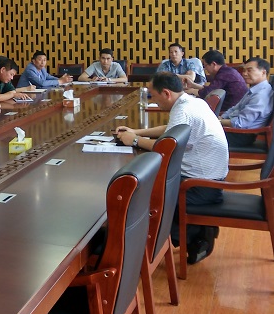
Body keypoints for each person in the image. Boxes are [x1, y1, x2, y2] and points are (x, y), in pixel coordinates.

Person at [116, 72, 228, 264]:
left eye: (153, 96)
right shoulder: (192, 102)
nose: (153, 100)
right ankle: (197, 232)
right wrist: (136, 132)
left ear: (166, 93)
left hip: (200, 186)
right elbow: (170, 131)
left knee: (140, 195)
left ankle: (189, 238)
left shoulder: (183, 110)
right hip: (209, 178)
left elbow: (166, 148)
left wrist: (134, 140)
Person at [220, 57, 274, 147]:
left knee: (200, 135)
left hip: (241, 135)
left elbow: (240, 123)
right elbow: (235, 108)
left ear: (263, 72)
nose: (244, 74)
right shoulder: (254, 89)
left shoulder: (261, 95)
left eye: (249, 70)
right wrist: (221, 117)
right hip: (235, 130)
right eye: (244, 70)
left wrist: (219, 121)